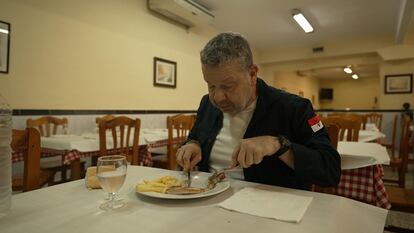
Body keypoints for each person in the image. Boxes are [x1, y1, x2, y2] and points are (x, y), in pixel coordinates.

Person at [176, 32, 341, 190]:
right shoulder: (207, 103)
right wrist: (192, 145)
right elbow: (195, 138)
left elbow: (330, 171)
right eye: (211, 85)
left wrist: (279, 145)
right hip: (207, 196)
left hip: (266, 208)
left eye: (228, 86)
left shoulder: (294, 108)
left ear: (252, 74)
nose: (218, 97)